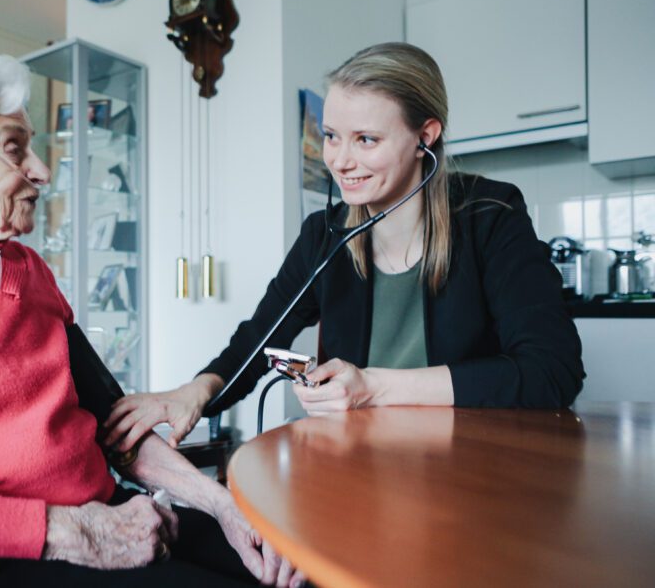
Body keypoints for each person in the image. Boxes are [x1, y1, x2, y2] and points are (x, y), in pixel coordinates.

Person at [0, 54, 301, 588]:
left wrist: (221, 506)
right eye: (15, 148)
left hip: (103, 513)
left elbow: (119, 426)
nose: (43, 171)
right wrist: (72, 532)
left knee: (297, 567)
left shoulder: (29, 269)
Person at [103, 42, 585, 452]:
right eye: (332, 137)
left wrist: (371, 387)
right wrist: (195, 391)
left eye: (366, 140)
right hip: (358, 470)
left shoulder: (491, 215)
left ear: (425, 137)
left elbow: (552, 372)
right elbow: (258, 337)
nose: (340, 160)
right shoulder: (323, 235)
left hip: (472, 467)